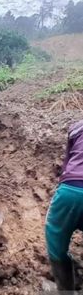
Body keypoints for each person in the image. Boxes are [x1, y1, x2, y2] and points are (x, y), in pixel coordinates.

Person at [45, 120, 83, 293]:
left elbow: (67, 165)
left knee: (55, 239)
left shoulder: (76, 127)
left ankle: (65, 290)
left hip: (70, 191)